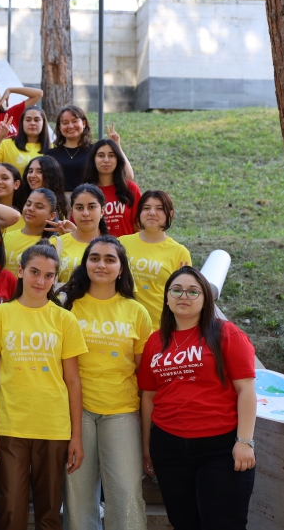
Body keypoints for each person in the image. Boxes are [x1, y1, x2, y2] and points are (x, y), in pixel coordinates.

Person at [139, 268, 257, 530]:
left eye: (194, 291)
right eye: (176, 290)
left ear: (206, 299)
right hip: (168, 447)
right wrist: (147, 447)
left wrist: (245, 441)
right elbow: (149, 395)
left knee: (224, 524)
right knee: (183, 523)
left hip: (220, 448)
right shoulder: (155, 342)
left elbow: (246, 390)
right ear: (167, 298)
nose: (184, 296)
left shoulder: (226, 333)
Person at [0, 244, 87, 530]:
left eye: (49, 276)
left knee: (49, 510)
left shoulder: (65, 319)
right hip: (11, 425)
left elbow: (73, 380)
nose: (41, 281)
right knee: (10, 509)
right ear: (21, 271)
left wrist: (76, 436)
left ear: (55, 279)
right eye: (35, 272)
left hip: (54, 427)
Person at [62, 236, 152, 530]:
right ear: (85, 263)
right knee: (78, 497)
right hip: (77, 411)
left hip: (122, 411)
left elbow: (143, 374)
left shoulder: (136, 312)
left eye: (110, 259)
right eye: (95, 258)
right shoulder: (68, 306)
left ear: (122, 268)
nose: (101, 264)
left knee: (126, 495)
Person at [119, 190, 192, 326]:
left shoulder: (179, 252)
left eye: (159, 208)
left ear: (170, 214)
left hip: (160, 327)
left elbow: (184, 295)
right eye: (146, 208)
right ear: (139, 213)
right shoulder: (121, 243)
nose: (152, 212)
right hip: (122, 325)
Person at [83, 139, 140, 238]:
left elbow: (139, 226)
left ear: (118, 159)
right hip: (95, 250)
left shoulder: (130, 188)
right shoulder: (85, 192)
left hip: (127, 250)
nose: (106, 160)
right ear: (93, 159)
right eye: (101, 155)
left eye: (111, 155)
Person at [54, 184, 109, 285]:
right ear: (72, 212)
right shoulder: (56, 244)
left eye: (91, 207)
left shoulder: (114, 247)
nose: (85, 213)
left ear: (102, 211)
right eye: (79, 208)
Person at [2, 188, 64, 275]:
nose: (30, 209)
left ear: (52, 216)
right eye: (28, 204)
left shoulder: (54, 243)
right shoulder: (5, 236)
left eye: (39, 207)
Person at [0, 106, 50, 174]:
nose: (32, 123)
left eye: (36, 120)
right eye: (28, 120)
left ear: (43, 123)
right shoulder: (6, 144)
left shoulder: (53, 148)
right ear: (21, 123)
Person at [13, 155, 68, 221]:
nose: (32, 175)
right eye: (30, 171)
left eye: (39, 172)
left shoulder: (58, 207)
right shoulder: (18, 200)